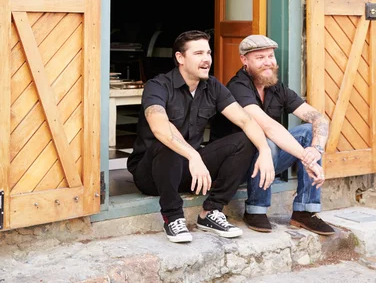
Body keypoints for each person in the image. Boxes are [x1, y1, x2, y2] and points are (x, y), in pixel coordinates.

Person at [127, 30, 277, 244]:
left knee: (245, 139)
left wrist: (264, 150)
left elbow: (246, 120)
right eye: (198, 53)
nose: (206, 59)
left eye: (208, 53)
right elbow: (159, 128)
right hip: (151, 174)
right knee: (168, 140)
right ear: (180, 58)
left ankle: (211, 211)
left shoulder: (212, 86)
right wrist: (193, 156)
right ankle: (173, 217)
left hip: (189, 171)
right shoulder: (158, 85)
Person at [211, 34, 334, 236]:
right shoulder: (237, 87)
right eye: (260, 58)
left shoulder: (276, 88)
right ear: (244, 60)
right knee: (269, 142)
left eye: (270, 56)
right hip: (234, 166)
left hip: (267, 160)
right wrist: (307, 159)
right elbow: (267, 126)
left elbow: (319, 118)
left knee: (306, 132)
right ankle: (255, 210)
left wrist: (316, 150)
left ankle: (304, 211)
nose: (267, 62)